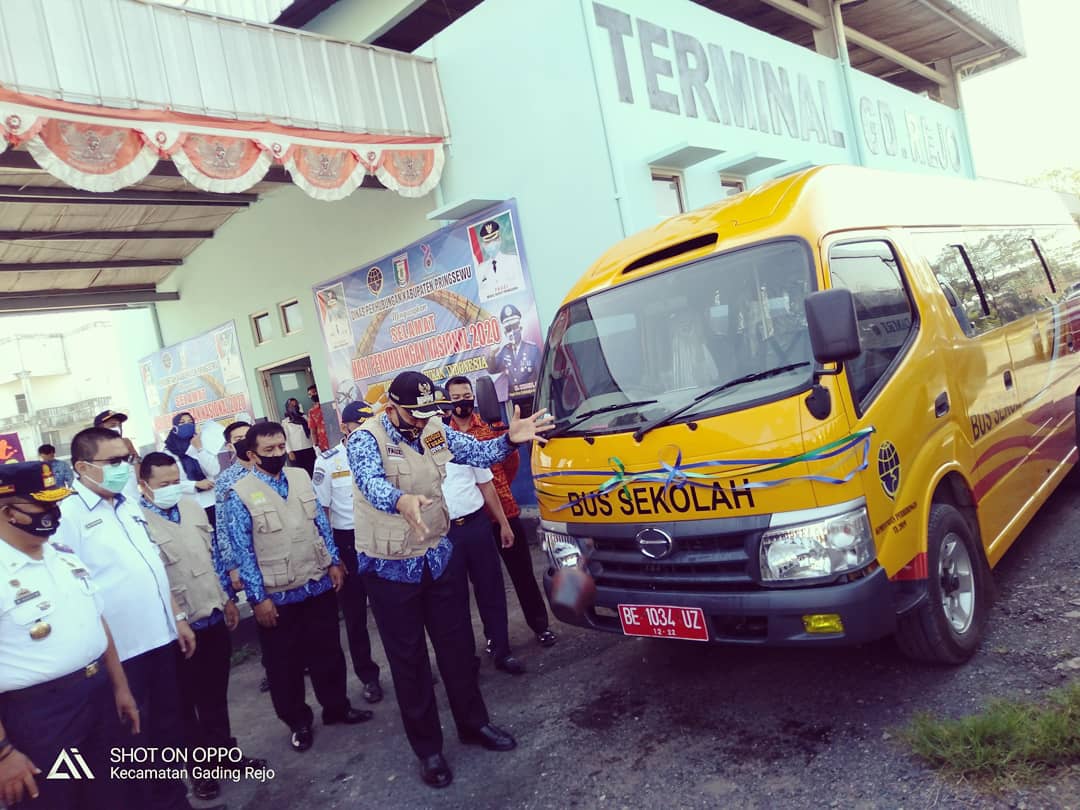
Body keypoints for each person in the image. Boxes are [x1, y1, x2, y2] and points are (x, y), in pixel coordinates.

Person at [346, 370, 554, 789]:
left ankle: (474, 724)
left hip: (438, 557)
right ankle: (429, 750)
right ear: (393, 407)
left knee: (458, 648)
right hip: (391, 567)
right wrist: (399, 498)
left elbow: (475, 453)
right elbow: (369, 482)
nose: (424, 421)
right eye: (415, 413)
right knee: (410, 663)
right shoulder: (365, 438)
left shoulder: (435, 429)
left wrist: (511, 440)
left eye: (428, 412)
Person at [52, 428, 208, 810]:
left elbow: (152, 566)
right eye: (114, 462)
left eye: (126, 459)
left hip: (162, 639)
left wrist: (178, 618)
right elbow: (74, 591)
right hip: (122, 653)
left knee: (168, 733)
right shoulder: (66, 515)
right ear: (82, 467)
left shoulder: (128, 504)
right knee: (136, 745)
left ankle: (176, 803)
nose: (124, 467)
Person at [221, 421, 372, 752]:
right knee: (284, 666)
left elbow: (320, 521)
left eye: (280, 447)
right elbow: (243, 550)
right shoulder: (239, 494)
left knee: (329, 652)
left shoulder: (301, 477)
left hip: (315, 583)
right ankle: (298, 722)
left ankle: (337, 707)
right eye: (269, 450)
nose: (278, 454)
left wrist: (334, 561)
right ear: (252, 454)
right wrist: (258, 599)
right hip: (278, 595)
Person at [0, 462, 140, 810]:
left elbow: (96, 621)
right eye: (42, 506)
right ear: (8, 511)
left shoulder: (61, 555)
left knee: (111, 797)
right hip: (41, 717)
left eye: (56, 503)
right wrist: (3, 754)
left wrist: (120, 688)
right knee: (61, 801)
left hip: (98, 697)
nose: (53, 514)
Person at [139, 452, 267, 801]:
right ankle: (200, 771)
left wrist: (227, 599)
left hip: (211, 611)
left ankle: (225, 754)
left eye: (173, 481)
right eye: (162, 484)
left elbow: (211, 558)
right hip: (178, 627)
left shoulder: (192, 507)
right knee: (185, 704)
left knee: (214, 694)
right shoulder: (138, 522)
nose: (170, 489)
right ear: (143, 484)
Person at [445, 376, 557, 651]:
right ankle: (495, 638)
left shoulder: (492, 428)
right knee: (485, 586)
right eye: (456, 397)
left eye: (466, 394)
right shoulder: (443, 437)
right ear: (447, 402)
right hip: (472, 523)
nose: (463, 401)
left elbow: (510, 463)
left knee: (523, 574)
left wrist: (500, 487)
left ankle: (540, 625)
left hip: (504, 512)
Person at [311, 401, 382, 703]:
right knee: (355, 618)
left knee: (394, 610)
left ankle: (412, 666)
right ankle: (368, 677)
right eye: (358, 426)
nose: (363, 431)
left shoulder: (381, 451)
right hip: (348, 543)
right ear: (344, 427)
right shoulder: (327, 462)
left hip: (380, 538)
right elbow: (322, 513)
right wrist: (333, 557)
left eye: (369, 425)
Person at [440, 455, 525, 675]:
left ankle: (502, 651)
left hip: (476, 525)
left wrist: (504, 524)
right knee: (454, 598)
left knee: (491, 588)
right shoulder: (417, 450)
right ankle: (466, 662)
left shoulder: (461, 444)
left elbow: (487, 486)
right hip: (444, 533)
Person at [162, 412, 220, 526]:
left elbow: (214, 470)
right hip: (188, 505)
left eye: (190, 422)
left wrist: (199, 448)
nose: (187, 425)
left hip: (211, 501)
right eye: (182, 423)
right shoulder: (168, 453)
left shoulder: (203, 443)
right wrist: (195, 484)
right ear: (174, 428)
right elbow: (168, 483)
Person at [486, 305, 542, 396]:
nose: (512, 333)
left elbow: (542, 375)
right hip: (515, 398)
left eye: (514, 327)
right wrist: (492, 354)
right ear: (505, 333)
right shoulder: (505, 351)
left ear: (520, 328)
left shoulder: (533, 349)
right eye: (508, 329)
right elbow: (492, 370)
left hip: (533, 396)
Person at [474, 219, 525, 302]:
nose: (492, 245)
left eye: (494, 240)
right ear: (483, 245)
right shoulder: (480, 270)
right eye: (488, 242)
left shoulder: (514, 261)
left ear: (500, 240)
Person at [282, 398, 317, 478]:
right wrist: (289, 451)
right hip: (295, 452)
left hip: (308, 448)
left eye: (295, 405)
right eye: (291, 405)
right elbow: (285, 438)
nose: (294, 407)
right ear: (287, 407)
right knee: (300, 473)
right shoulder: (285, 422)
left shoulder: (304, 417)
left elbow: (312, 430)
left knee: (312, 471)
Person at [307, 386, 330, 452]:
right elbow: (313, 431)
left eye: (314, 392)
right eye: (310, 394)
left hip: (336, 439)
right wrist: (315, 446)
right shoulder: (312, 411)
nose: (312, 395)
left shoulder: (329, 405)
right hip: (323, 444)